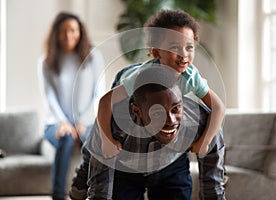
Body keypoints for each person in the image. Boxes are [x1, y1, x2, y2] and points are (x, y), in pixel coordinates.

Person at [69, 9, 225, 199]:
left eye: (189, 47)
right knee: (100, 134)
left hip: (166, 133)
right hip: (127, 87)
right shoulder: (138, 80)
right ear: (156, 51)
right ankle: (84, 173)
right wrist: (108, 140)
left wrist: (205, 141)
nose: (183, 54)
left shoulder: (190, 75)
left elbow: (217, 107)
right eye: (175, 47)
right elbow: (105, 103)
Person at [85, 66, 225, 199]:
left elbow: (213, 186)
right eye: (158, 113)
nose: (170, 120)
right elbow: (99, 190)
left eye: (176, 108)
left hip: (172, 168)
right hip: (126, 171)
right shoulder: (116, 122)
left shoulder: (198, 121)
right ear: (137, 111)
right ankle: (80, 181)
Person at [38, 11, 105, 200]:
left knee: (93, 143)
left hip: (87, 121)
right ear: (56, 34)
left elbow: (99, 94)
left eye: (73, 30)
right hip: (55, 123)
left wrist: (80, 122)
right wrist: (64, 123)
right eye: (63, 31)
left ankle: (94, 193)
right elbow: (49, 97)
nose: (68, 35)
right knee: (66, 138)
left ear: (80, 32)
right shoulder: (46, 61)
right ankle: (58, 195)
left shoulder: (93, 56)